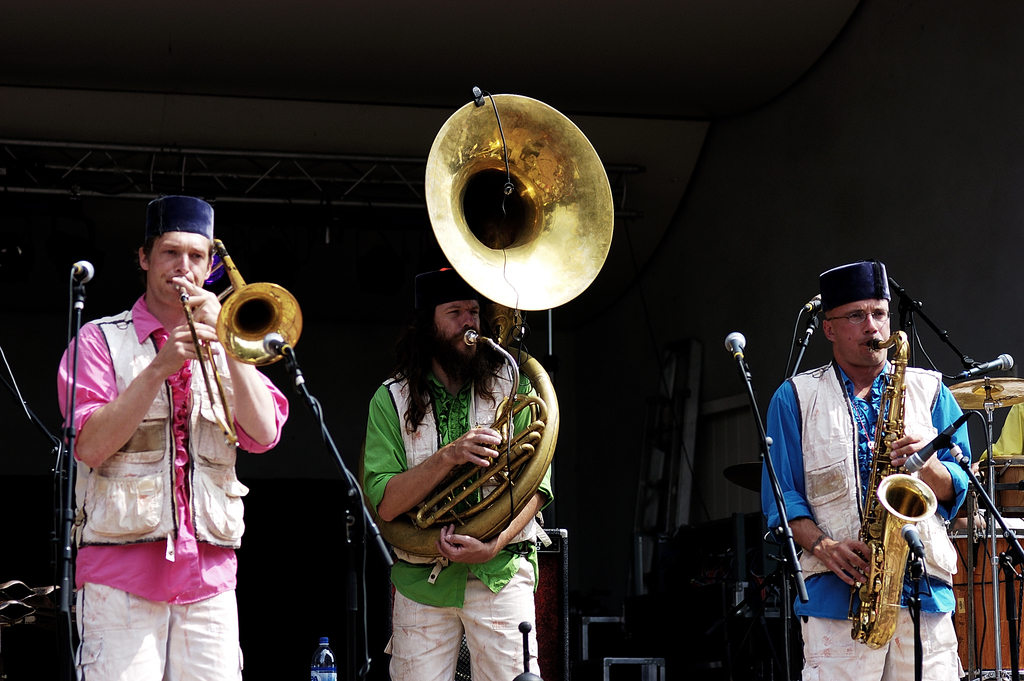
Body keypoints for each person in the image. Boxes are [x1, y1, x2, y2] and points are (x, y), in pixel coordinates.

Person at [57, 195, 289, 681]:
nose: (184, 266)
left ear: (210, 267)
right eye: (170, 252)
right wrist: (158, 368)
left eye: (196, 256)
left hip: (209, 578)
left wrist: (229, 347)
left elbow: (264, 433)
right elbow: (90, 446)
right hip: (121, 576)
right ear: (144, 258)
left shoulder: (227, 342)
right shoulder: (99, 340)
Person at [761, 260, 969, 680]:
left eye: (879, 313)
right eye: (856, 315)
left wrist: (929, 465)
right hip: (837, 602)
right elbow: (781, 499)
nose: (872, 327)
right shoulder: (794, 397)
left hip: (923, 598)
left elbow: (960, 488)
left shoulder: (932, 390)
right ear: (829, 328)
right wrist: (824, 547)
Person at [362, 268, 553, 681]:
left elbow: (537, 486)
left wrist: (493, 543)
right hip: (422, 580)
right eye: (454, 313)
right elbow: (386, 504)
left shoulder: (514, 384)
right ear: (426, 326)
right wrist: (448, 456)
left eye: (474, 311)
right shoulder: (390, 399)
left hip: (499, 571)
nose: (469, 322)